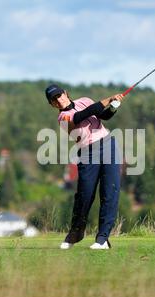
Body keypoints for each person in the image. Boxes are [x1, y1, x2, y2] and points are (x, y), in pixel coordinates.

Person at [45, 84, 124, 250]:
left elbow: (104, 115)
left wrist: (114, 105)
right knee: (84, 196)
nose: (58, 100)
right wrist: (109, 98)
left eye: (59, 95)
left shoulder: (85, 100)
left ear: (66, 93)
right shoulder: (63, 118)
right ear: (52, 104)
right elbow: (84, 114)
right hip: (87, 153)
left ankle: (102, 239)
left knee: (110, 193)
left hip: (108, 146)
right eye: (54, 100)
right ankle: (75, 234)